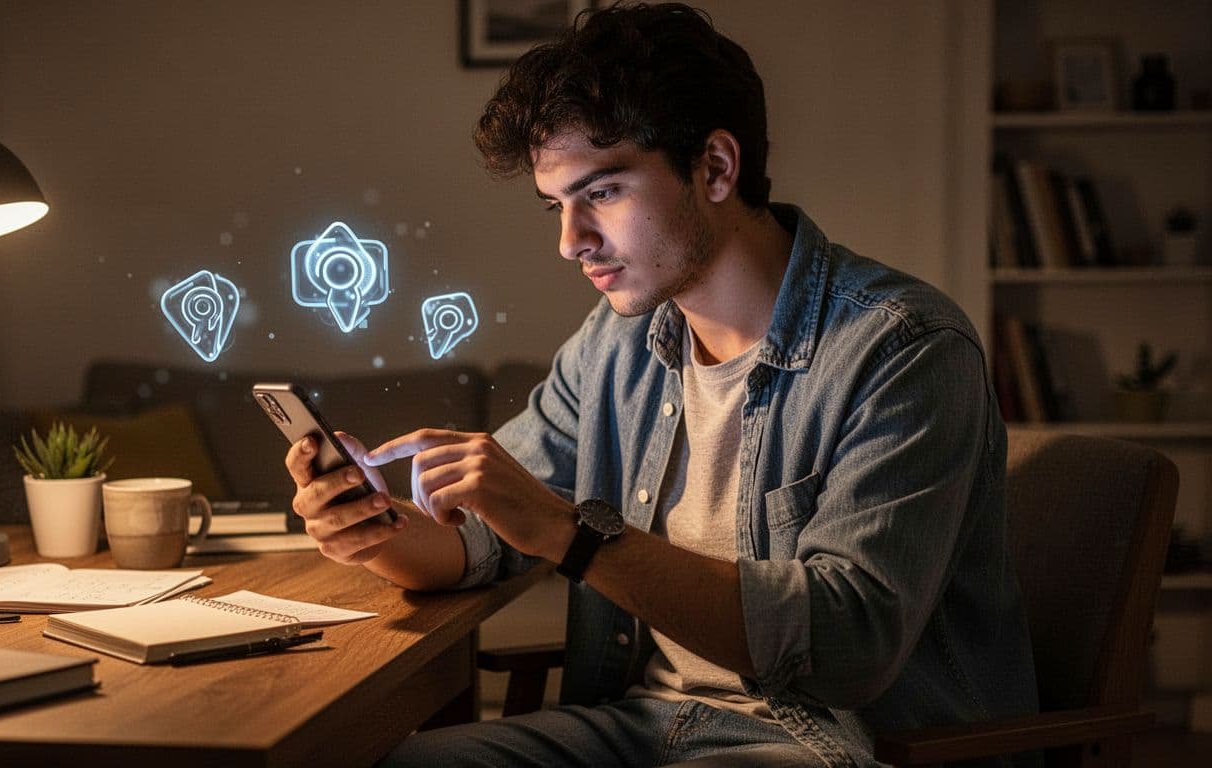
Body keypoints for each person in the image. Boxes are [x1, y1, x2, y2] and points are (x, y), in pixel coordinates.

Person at [285, 3, 1038, 766]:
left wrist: (567, 533)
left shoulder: (904, 348)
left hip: (833, 744)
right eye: (557, 205)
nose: (570, 241)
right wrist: (372, 525)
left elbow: (847, 647)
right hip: (642, 725)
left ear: (715, 166)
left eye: (602, 193)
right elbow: (475, 543)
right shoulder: (618, 343)